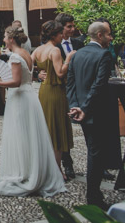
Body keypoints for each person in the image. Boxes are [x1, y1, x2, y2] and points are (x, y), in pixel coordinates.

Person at [0, 25, 66, 197]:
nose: (4, 40)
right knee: (30, 135)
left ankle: (23, 172)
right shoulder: (26, 54)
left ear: (11, 39)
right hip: (29, 97)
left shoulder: (15, 56)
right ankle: (32, 169)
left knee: (20, 135)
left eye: (5, 37)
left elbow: (15, 82)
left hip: (19, 97)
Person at [67, 21, 120, 209]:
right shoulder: (103, 55)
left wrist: (75, 106)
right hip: (96, 111)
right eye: (108, 34)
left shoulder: (77, 54)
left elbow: (70, 84)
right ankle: (93, 197)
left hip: (82, 110)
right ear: (99, 35)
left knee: (93, 150)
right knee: (96, 154)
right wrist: (85, 108)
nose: (111, 38)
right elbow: (98, 85)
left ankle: (94, 194)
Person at [33, 20, 76, 181]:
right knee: (56, 131)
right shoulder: (54, 51)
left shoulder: (38, 49)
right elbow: (60, 73)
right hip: (56, 92)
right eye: (60, 34)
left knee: (47, 128)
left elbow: (29, 65)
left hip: (44, 91)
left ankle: (47, 167)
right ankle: (56, 170)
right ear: (54, 35)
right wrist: (69, 59)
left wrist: (39, 73)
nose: (62, 36)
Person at [54, 13, 81, 180]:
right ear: (61, 27)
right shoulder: (54, 47)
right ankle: (67, 164)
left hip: (79, 88)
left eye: (73, 26)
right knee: (63, 128)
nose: (72, 29)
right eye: (69, 26)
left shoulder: (78, 43)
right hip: (62, 90)